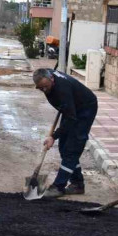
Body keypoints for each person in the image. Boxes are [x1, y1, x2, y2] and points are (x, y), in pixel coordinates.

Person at [32, 68, 98, 198]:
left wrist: (53, 137)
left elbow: (71, 119)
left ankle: (58, 186)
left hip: (85, 109)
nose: (44, 90)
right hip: (70, 109)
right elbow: (68, 113)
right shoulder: (46, 75)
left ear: (52, 79)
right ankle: (77, 184)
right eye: (41, 88)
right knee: (63, 148)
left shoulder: (62, 90)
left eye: (46, 87)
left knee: (72, 149)